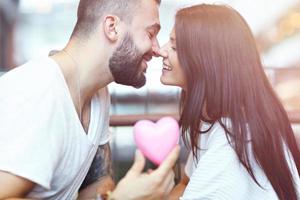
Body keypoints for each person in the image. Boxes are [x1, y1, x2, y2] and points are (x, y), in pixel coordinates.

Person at [0, 0, 180, 199]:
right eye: (150, 34)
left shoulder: (98, 94)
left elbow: (97, 185)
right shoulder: (37, 90)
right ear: (112, 28)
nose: (157, 49)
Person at [157, 4, 300, 200]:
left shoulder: (231, 141)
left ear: (205, 60)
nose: (161, 51)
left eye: (174, 46)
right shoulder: (213, 119)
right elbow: (186, 182)